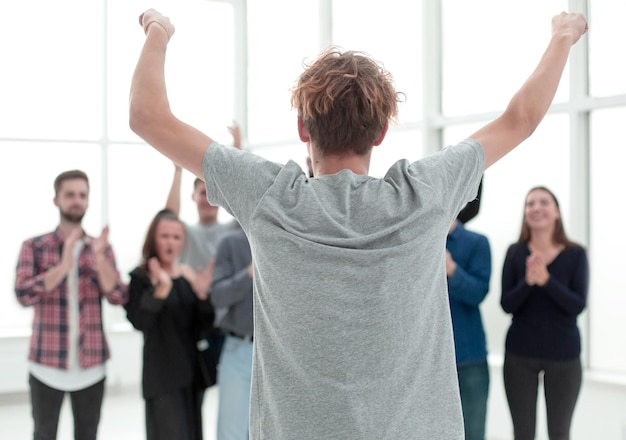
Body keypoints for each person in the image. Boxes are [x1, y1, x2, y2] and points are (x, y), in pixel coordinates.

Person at [128, 9, 587, 439]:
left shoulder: (270, 197)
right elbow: (521, 119)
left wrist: (158, 32)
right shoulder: (423, 193)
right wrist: (562, 36)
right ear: (382, 131)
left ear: (304, 129)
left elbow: (147, 117)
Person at [14, 169, 128, 440]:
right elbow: (23, 294)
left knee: (87, 435)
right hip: (46, 365)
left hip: (91, 367)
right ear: (57, 200)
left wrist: (100, 260)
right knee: (44, 434)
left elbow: (118, 295)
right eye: (70, 195)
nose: (76, 200)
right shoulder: (35, 246)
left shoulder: (100, 248)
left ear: (87, 201)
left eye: (82, 195)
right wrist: (64, 265)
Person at [500, 187, 589, 440]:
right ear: (525, 213)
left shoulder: (576, 254)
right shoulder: (515, 252)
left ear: (557, 212)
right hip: (520, 356)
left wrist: (546, 280)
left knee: (559, 433)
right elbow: (507, 304)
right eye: (530, 204)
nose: (536, 208)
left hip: (564, 358)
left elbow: (577, 305)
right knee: (523, 433)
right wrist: (528, 281)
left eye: (543, 202)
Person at [124, 209, 215, 440]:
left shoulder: (186, 277)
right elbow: (140, 322)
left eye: (176, 237)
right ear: (153, 238)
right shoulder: (141, 277)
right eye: (165, 236)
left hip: (190, 377)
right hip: (162, 380)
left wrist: (203, 296)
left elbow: (203, 325)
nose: (170, 242)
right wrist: (160, 291)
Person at [165, 123, 241, 367]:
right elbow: (168, 217)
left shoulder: (230, 231)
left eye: (211, 192)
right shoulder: (186, 232)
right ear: (194, 197)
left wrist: (236, 151)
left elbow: (240, 196)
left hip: (224, 323)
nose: (207, 198)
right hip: (193, 321)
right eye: (201, 192)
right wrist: (178, 171)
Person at [446, 217, 492, 440]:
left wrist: (452, 270)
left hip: (469, 361)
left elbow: (478, 293)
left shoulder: (477, 243)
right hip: (425, 362)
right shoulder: (416, 241)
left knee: (473, 434)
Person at [210, 223, 254, 440]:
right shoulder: (230, 242)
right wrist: (249, 274)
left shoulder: (289, 235)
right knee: (231, 434)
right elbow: (218, 295)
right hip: (239, 350)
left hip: (280, 354)